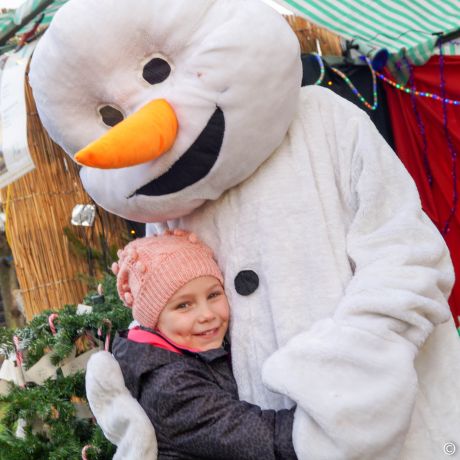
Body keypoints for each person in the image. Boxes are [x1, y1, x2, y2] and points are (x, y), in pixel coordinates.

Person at [110, 229, 297, 460]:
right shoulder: (170, 387)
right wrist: (331, 426)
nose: (207, 314)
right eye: (184, 306)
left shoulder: (191, 352)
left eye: (213, 295)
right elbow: (256, 439)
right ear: (154, 321)